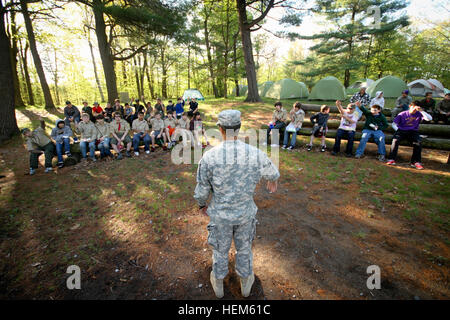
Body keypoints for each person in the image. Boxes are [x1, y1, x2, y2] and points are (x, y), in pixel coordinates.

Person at [194, 109, 280, 298]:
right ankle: (246, 281)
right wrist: (272, 179)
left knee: (220, 249)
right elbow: (273, 173)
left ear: (220, 129)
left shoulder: (209, 156)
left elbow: (201, 190)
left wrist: (202, 205)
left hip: (220, 215)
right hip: (245, 214)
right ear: (239, 128)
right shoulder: (255, 154)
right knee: (244, 249)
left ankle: (217, 280)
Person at [386, 101, 433, 169]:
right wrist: (398, 130)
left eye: (416, 107)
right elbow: (394, 124)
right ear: (410, 106)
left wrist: (421, 111)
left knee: (418, 143)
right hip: (401, 130)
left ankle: (415, 162)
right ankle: (391, 159)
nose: (414, 109)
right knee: (395, 140)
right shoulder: (402, 114)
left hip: (413, 131)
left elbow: (429, 119)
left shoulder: (419, 113)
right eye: (413, 107)